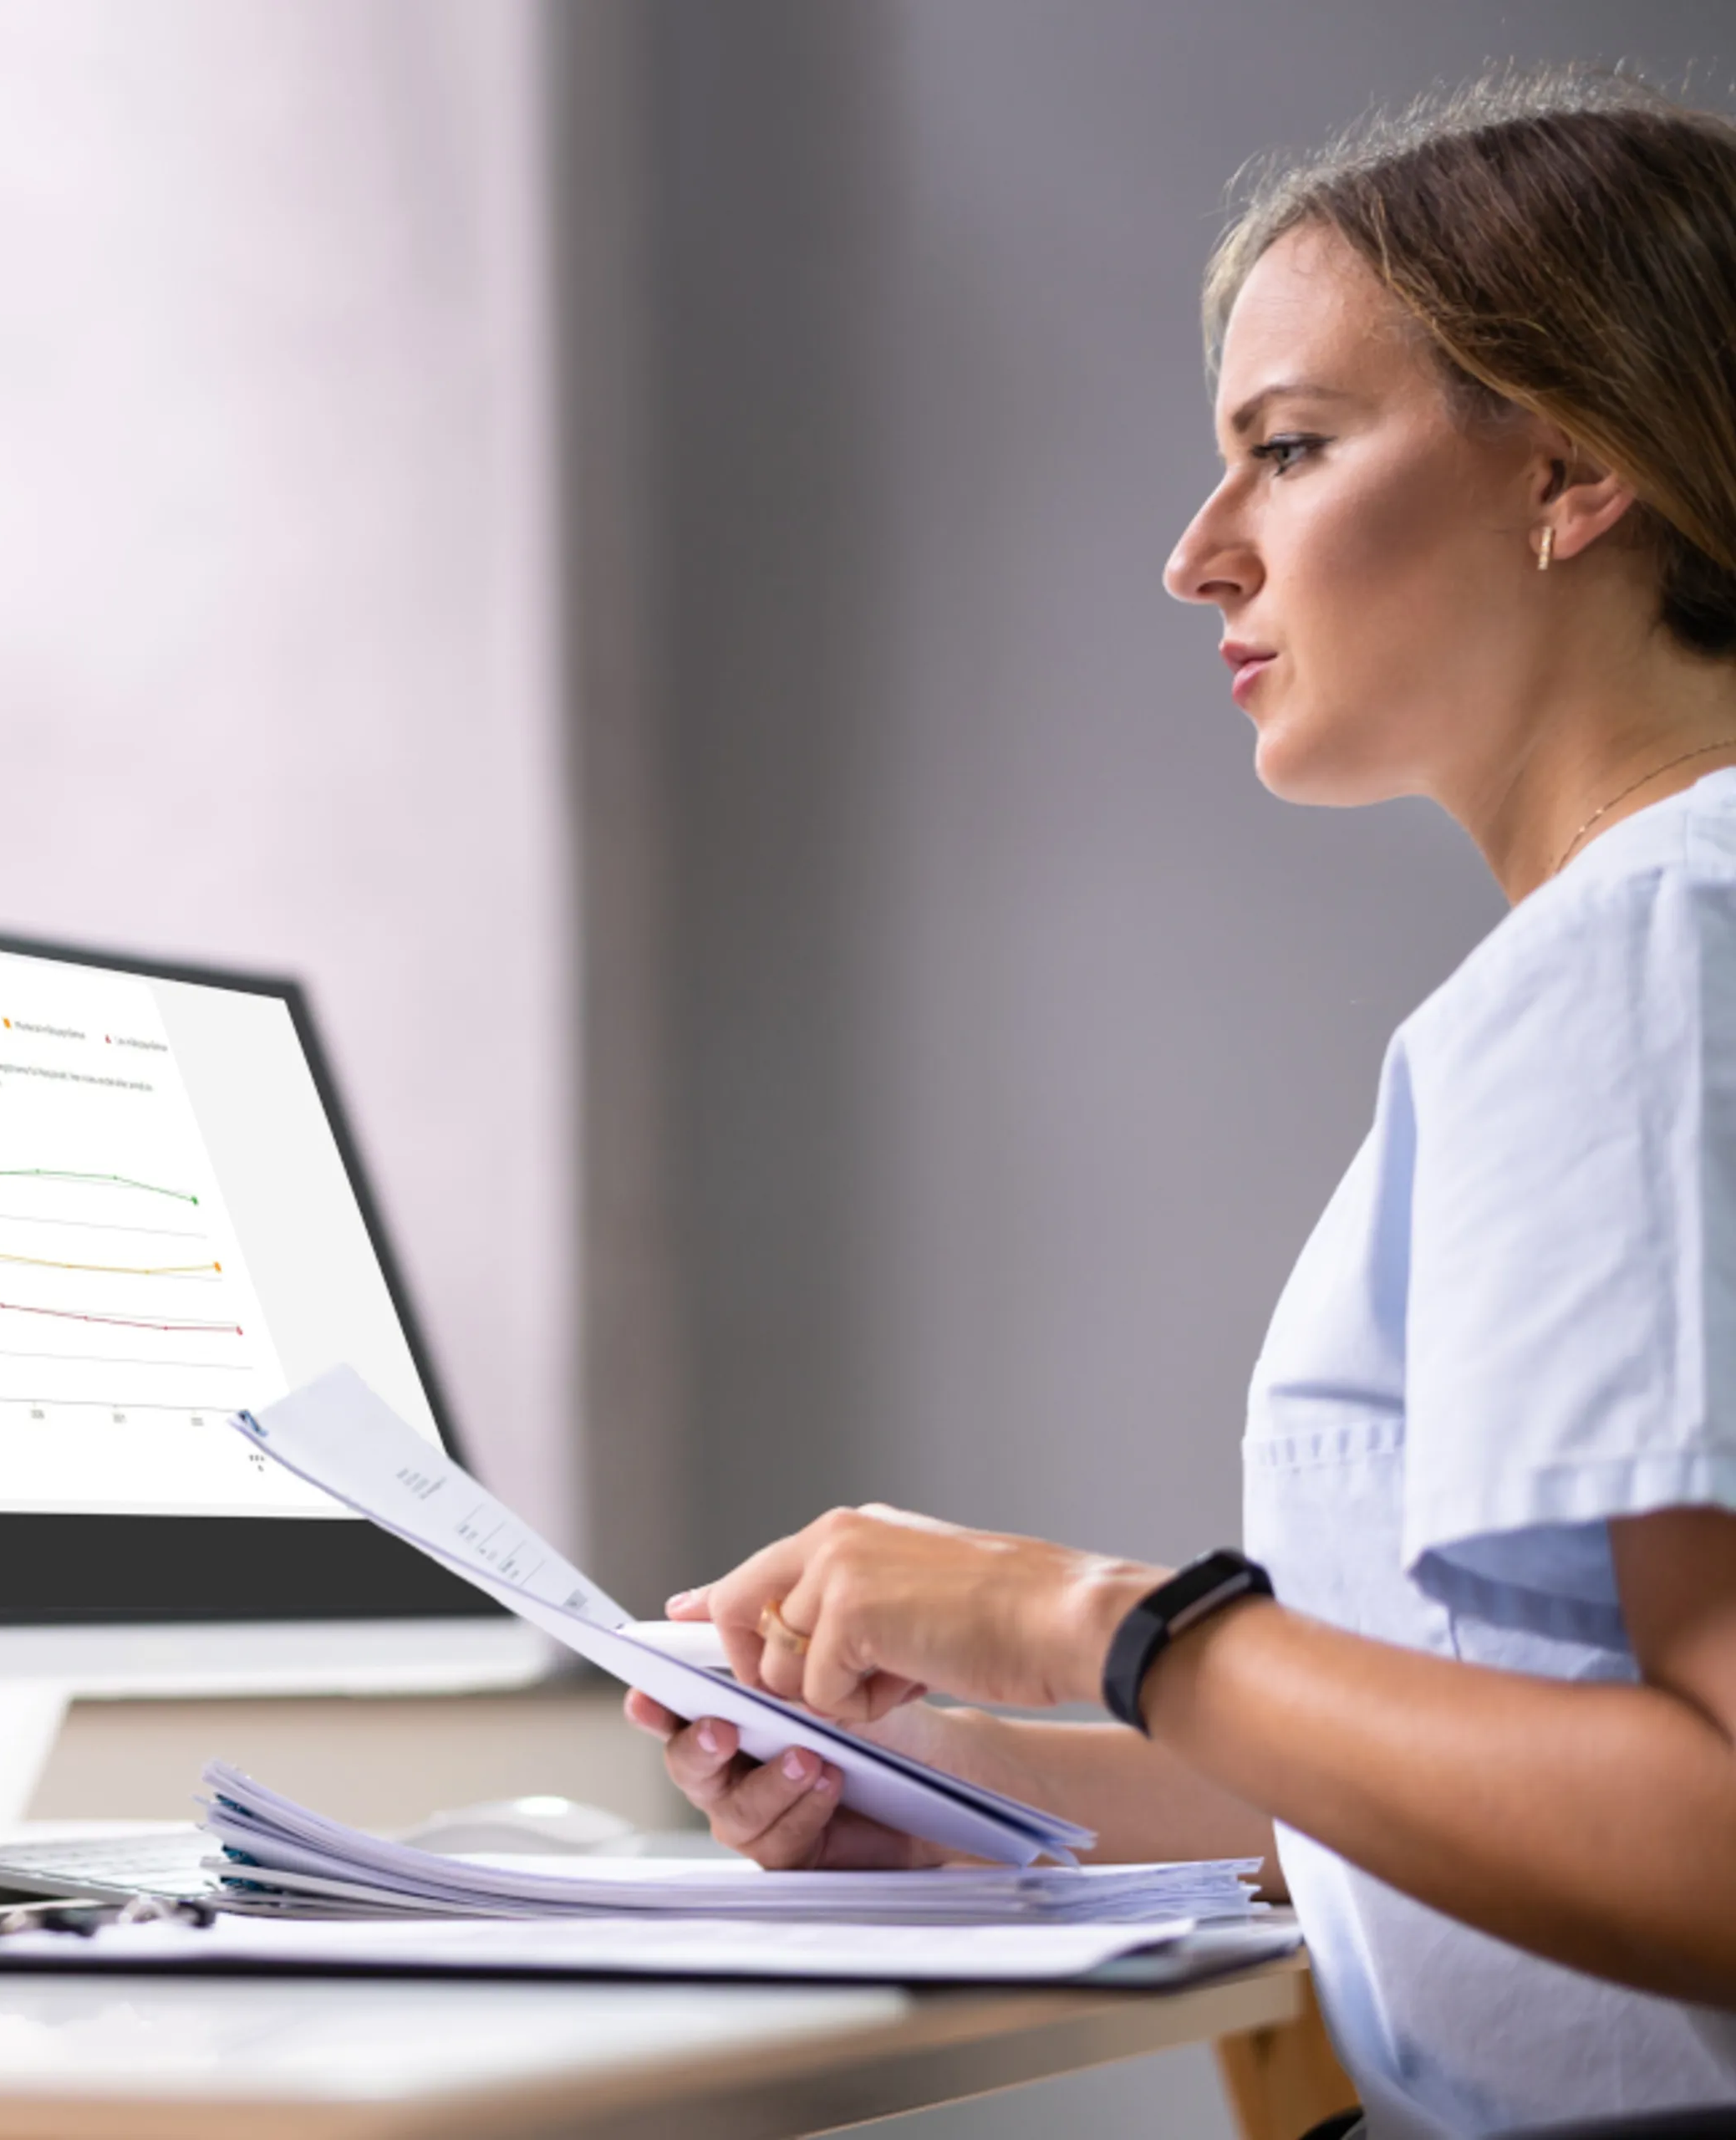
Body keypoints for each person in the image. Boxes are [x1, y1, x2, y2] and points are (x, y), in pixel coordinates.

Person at [630, 70, 1736, 2140]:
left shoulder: (1653, 956)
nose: (1194, 556)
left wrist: (1091, 1618)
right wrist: (970, 1793)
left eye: (1290, 452)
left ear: (1573, 467)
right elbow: (1547, 1766)